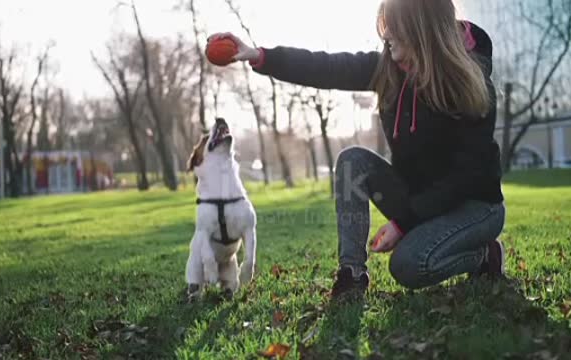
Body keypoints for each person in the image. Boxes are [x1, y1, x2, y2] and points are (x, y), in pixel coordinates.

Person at [210, 0, 505, 300]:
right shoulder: (389, 69)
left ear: (420, 28)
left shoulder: (469, 83)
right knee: (353, 161)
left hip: (474, 207)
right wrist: (258, 55)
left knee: (409, 265)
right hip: (420, 198)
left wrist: (404, 224)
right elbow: (326, 67)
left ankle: (483, 256)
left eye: (393, 27)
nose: (385, 35)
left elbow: (466, 177)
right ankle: (352, 276)